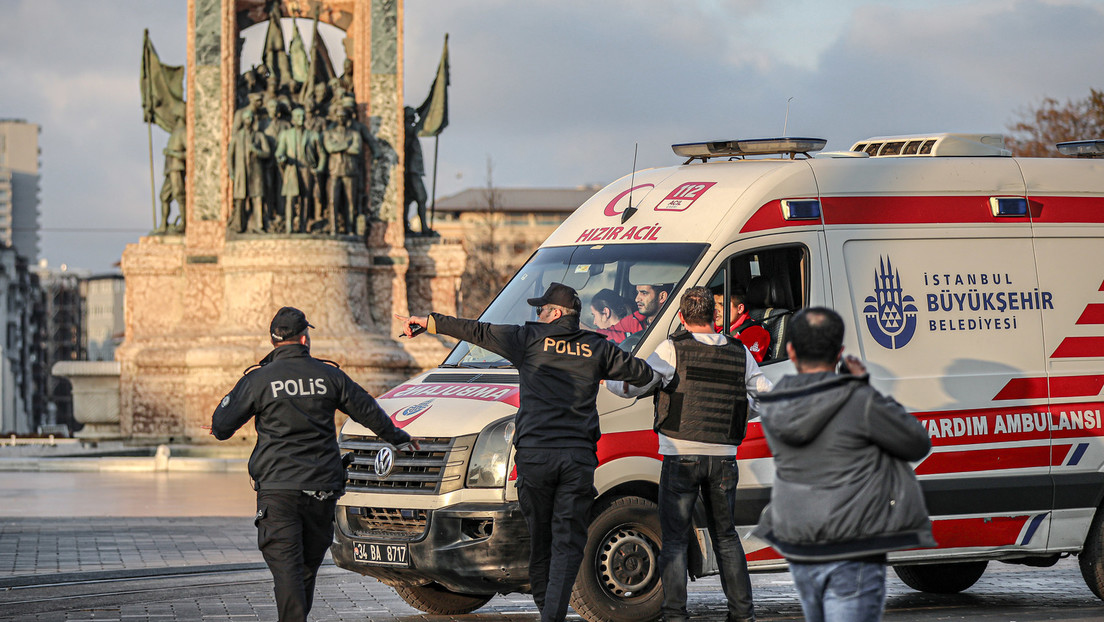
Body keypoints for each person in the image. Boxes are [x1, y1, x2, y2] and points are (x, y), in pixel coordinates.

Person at [395, 283, 655, 622]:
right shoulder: (597, 347)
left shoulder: (528, 339)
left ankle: (548, 612)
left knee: (541, 540)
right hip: (575, 459)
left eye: (542, 309)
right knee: (567, 542)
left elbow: (477, 331)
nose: (538, 314)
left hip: (535, 458)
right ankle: (551, 616)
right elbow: (643, 374)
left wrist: (429, 322)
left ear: (557, 313)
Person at [210, 307, 419, 622]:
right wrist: (399, 438)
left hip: (278, 489)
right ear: (304, 338)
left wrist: (220, 425)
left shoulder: (258, 379)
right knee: (304, 566)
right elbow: (368, 410)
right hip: (322, 488)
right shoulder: (329, 375)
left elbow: (223, 427)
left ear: (272, 339)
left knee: (287, 567)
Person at [752, 307, 934, 622]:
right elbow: (916, 441)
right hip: (853, 544)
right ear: (839, 353)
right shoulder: (858, 400)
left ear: (791, 350)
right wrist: (863, 386)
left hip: (800, 542)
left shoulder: (775, 402)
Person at [607, 286, 770, 622]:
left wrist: (607, 379)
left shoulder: (672, 349)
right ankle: (742, 614)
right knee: (726, 538)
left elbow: (635, 385)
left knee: (676, 540)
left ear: (681, 317)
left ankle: (675, 614)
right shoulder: (739, 351)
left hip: (680, 456)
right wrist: (739, 412)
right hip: (723, 458)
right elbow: (767, 396)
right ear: (715, 315)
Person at [275, 107, 325, 233]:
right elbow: (279, 151)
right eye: (298, 116)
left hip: (306, 169)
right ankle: (289, 227)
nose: (301, 119)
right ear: (292, 119)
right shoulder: (286, 134)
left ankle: (303, 226)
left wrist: (319, 168)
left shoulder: (313, 135)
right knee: (290, 198)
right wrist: (282, 158)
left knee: (305, 198)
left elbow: (322, 154)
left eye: (302, 116)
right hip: (292, 169)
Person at [228, 108, 272, 233]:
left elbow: (267, 153)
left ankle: (259, 225)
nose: (249, 120)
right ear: (243, 120)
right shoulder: (237, 137)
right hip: (242, 173)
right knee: (240, 199)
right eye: (247, 118)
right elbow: (230, 156)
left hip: (256, 172)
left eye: (251, 118)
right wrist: (231, 171)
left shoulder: (259, 136)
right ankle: (239, 225)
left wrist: (257, 152)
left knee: (257, 198)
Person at [323, 106, 363, 234]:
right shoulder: (329, 133)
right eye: (339, 116)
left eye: (343, 116)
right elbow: (330, 148)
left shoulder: (354, 134)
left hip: (350, 170)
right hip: (334, 170)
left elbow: (356, 149)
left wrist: (338, 147)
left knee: (351, 202)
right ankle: (333, 229)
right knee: (333, 201)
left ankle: (350, 228)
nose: (341, 119)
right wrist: (347, 145)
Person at [714, 289, 770, 363]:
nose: (716, 309)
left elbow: (744, 366)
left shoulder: (755, 333)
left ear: (740, 308)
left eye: (722, 305)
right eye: (714, 304)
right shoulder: (721, 325)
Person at [403, 106, 433, 236]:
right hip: (412, 171)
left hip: (412, 170)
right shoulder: (409, 129)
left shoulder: (408, 129)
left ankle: (405, 224)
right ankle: (424, 228)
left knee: (408, 199)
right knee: (422, 197)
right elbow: (423, 122)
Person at [157, 113, 186, 234]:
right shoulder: (175, 132)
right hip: (169, 168)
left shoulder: (183, 132)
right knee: (164, 196)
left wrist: (172, 153)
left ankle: (184, 222)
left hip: (177, 167)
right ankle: (164, 224)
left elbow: (190, 153)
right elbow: (161, 121)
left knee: (179, 194)